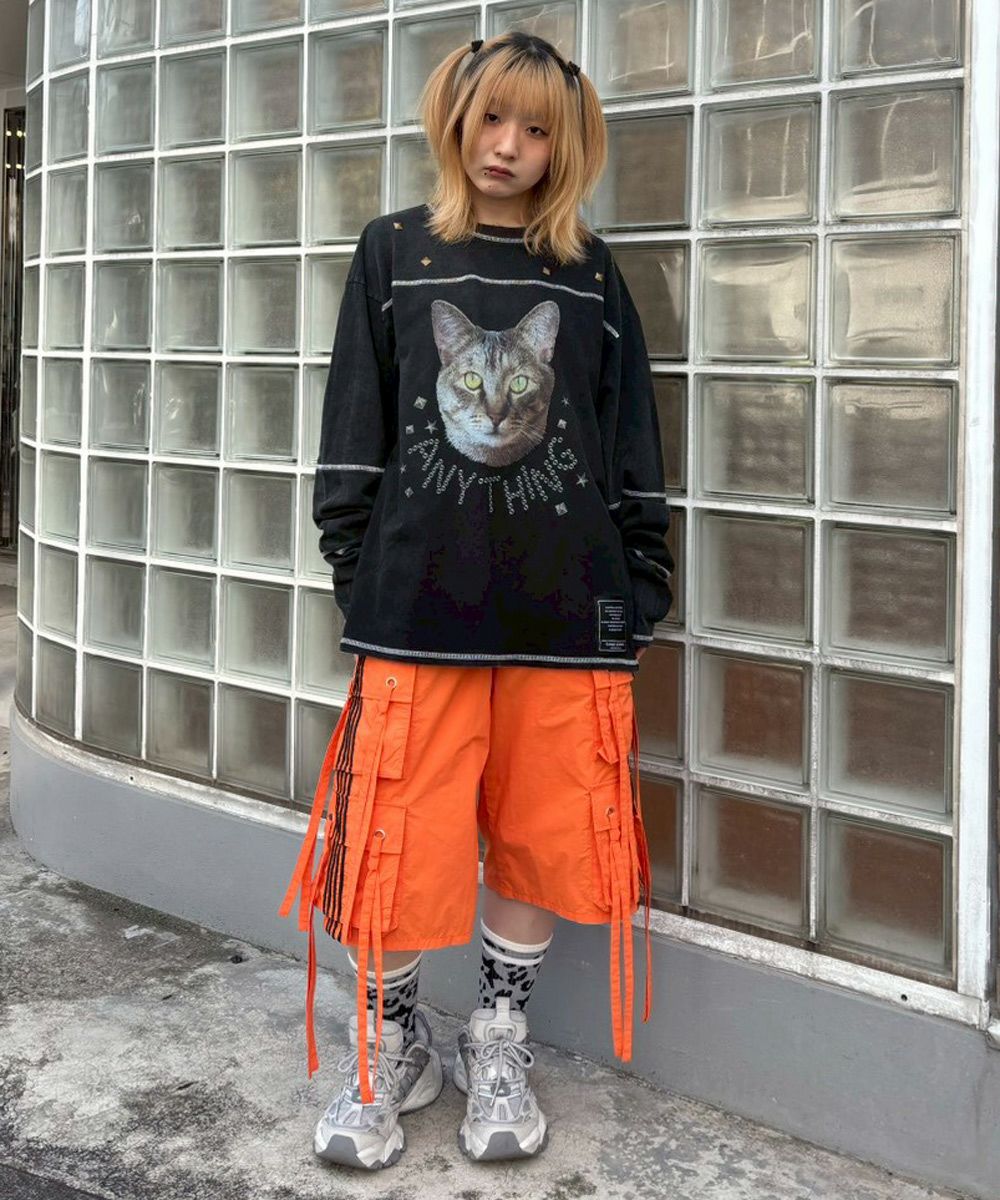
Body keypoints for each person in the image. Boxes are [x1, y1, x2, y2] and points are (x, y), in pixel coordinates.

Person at [279, 30, 674, 1172]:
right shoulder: (394, 251)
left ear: (566, 144)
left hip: (566, 617)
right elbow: (355, 418)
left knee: (544, 836)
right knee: (397, 835)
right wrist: (355, 564)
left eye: (536, 127)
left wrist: (640, 580)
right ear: (454, 122)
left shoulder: (588, 272)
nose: (507, 145)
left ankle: (497, 1035)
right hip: (418, 610)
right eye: (490, 118)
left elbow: (628, 432)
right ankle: (393, 1041)